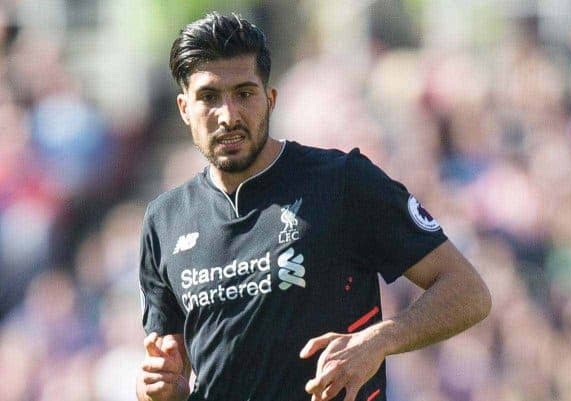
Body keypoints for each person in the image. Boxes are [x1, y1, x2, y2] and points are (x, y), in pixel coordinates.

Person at [136, 12, 491, 401]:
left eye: (244, 93)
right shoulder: (164, 220)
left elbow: (468, 292)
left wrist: (378, 341)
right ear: (185, 109)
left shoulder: (342, 182)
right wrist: (154, 389)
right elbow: (170, 369)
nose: (228, 115)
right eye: (209, 97)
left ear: (270, 99)